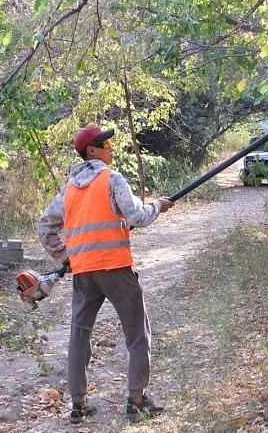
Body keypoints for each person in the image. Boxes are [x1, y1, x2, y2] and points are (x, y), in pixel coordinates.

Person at [36, 125, 174, 424]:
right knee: (137, 334)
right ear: (92, 151)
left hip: (84, 274)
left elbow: (44, 227)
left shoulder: (68, 189)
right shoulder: (112, 179)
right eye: (106, 144)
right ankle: (137, 401)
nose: (111, 148)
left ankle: (78, 405)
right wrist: (158, 206)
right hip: (115, 269)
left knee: (80, 335)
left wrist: (65, 257)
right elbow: (138, 216)